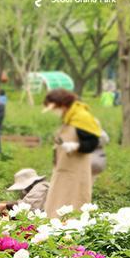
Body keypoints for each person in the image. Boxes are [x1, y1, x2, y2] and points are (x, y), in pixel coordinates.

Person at [41, 88, 102, 216]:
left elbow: (93, 143)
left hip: (76, 174)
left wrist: (76, 146)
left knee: (74, 209)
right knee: (55, 208)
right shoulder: (69, 116)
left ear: (62, 104)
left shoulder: (82, 116)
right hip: (63, 171)